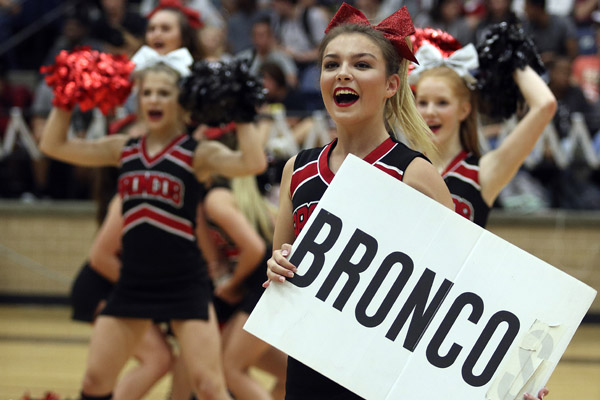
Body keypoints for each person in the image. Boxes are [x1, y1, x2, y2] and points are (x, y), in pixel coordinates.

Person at [40, 51, 266, 400]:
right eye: (147, 93)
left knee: (209, 386)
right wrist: (66, 96)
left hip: (184, 284)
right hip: (133, 282)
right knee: (94, 383)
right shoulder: (123, 149)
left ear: (180, 100)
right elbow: (53, 144)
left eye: (163, 92)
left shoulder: (196, 153)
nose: (154, 100)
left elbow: (252, 162)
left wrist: (242, 112)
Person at [264, 3, 454, 399]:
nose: (343, 73)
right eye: (331, 64)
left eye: (362, 65)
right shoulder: (296, 169)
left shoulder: (415, 174)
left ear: (391, 84)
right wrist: (278, 266)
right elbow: (279, 266)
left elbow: (462, 284)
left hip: (384, 373)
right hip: (308, 362)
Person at [409, 29, 557, 228]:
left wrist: (509, 53)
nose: (430, 112)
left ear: (464, 110)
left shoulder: (483, 172)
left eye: (442, 103)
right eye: (423, 102)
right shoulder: (402, 162)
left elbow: (545, 105)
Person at [201, 167, 287, 400]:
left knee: (231, 369)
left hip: (270, 286)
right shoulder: (237, 197)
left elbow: (255, 249)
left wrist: (232, 284)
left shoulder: (216, 198)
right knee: (287, 374)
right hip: (273, 286)